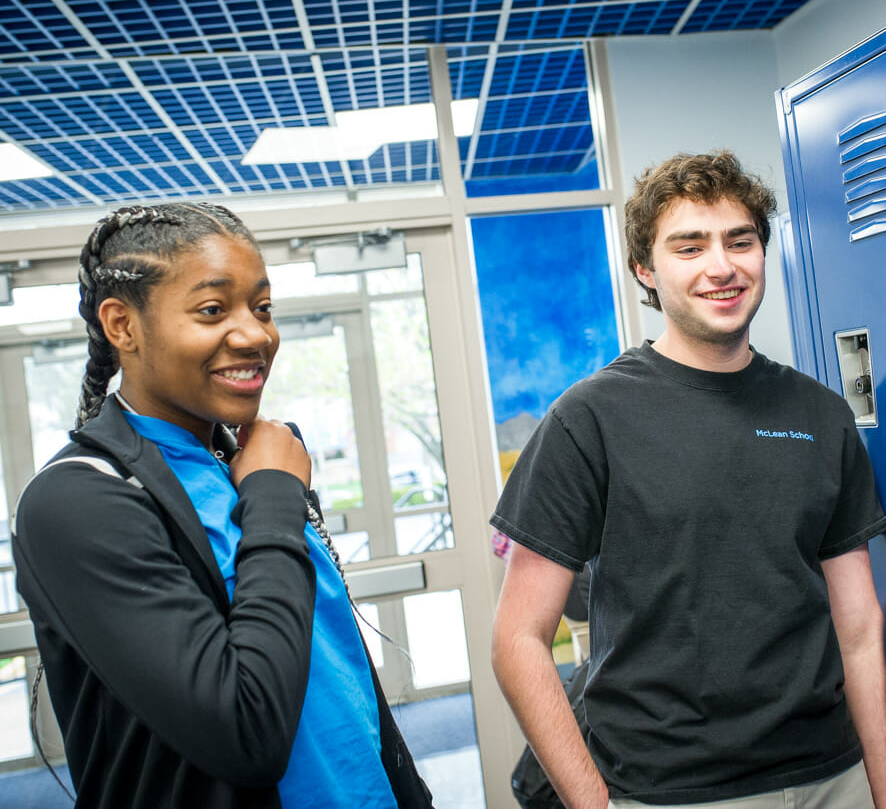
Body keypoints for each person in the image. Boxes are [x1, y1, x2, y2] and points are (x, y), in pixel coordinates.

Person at [490, 151, 886, 808]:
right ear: (646, 269)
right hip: (673, 790)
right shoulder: (590, 419)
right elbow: (518, 639)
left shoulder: (821, 414)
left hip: (831, 774)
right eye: (689, 246)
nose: (722, 266)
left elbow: (861, 629)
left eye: (741, 240)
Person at [12, 202, 432, 809]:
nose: (256, 334)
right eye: (213, 309)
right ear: (121, 325)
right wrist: (272, 497)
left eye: (262, 308)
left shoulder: (245, 461)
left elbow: (337, 679)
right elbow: (247, 733)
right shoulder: (78, 500)